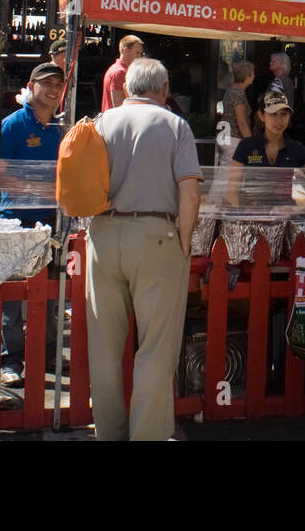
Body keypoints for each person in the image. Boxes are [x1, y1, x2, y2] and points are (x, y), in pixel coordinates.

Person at [89, 58, 203, 440]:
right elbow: (190, 192)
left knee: (104, 346)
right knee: (155, 347)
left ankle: (109, 433)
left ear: (127, 87)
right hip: (156, 235)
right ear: (165, 89)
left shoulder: (101, 122)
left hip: (103, 235)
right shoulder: (175, 125)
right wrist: (185, 240)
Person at [0, 62, 66, 386]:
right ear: (31, 86)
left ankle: (49, 355)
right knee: (12, 298)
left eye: (57, 84)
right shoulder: (12, 125)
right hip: (16, 221)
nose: (52, 89)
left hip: (52, 221)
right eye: (46, 83)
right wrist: (38, 187)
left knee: (52, 296)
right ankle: (10, 360)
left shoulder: (62, 129)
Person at [225, 91, 305, 206]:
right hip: (252, 215)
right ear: (261, 116)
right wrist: (236, 216)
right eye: (273, 114)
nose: (279, 120)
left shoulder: (296, 148)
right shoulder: (246, 146)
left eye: (284, 114)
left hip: (285, 216)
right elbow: (232, 190)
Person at [218, 60, 255, 166]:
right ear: (246, 75)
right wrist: (251, 143)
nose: (254, 75)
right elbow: (241, 121)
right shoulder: (238, 93)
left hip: (228, 137)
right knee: (229, 173)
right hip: (233, 139)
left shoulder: (232, 89)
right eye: (253, 73)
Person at [102, 34, 144, 111]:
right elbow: (119, 108)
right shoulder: (119, 72)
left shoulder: (119, 70)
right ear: (125, 51)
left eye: (140, 54)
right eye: (137, 53)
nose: (139, 57)